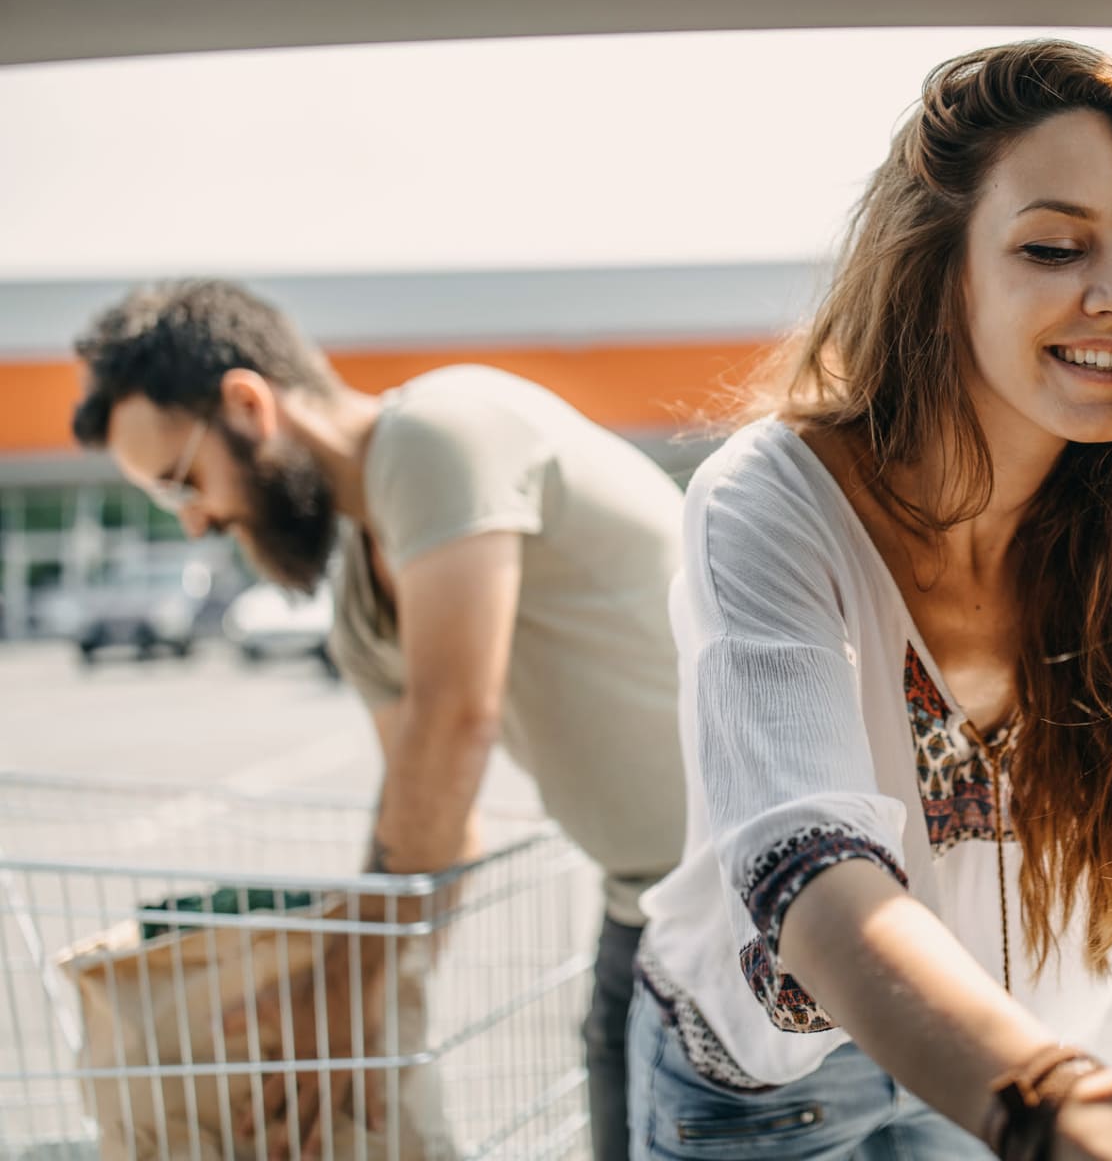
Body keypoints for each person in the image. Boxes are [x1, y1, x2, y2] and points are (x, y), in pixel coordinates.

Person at [627, 39, 1112, 1160]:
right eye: (1054, 247)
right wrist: (1055, 1105)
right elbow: (806, 876)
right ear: (939, 266)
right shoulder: (769, 499)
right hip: (771, 1096)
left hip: (1014, 1066)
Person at [69, 281, 687, 1161]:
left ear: (249, 404)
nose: (198, 521)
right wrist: (362, 1037)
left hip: (771, 906)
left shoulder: (439, 435)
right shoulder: (361, 610)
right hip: (646, 922)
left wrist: (336, 1000)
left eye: (182, 484)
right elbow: (435, 824)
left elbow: (453, 727)